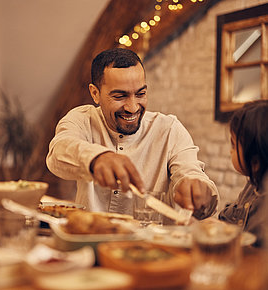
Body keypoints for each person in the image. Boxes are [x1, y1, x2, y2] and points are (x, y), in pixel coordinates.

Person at [46, 48, 218, 218]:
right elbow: (57, 153)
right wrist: (97, 158)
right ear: (95, 93)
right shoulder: (82, 119)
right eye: (120, 96)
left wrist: (199, 192)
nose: (133, 107)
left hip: (152, 244)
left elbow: (189, 171)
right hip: (92, 239)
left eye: (140, 94)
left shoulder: (169, 129)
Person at [219, 100, 268, 247]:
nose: (230, 150)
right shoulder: (252, 184)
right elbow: (232, 218)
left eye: (233, 145)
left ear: (255, 162)